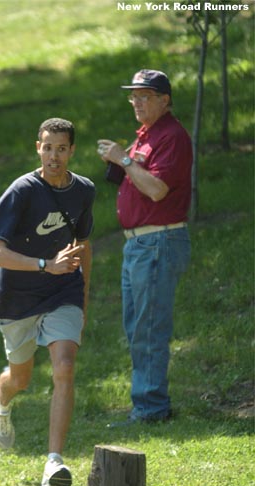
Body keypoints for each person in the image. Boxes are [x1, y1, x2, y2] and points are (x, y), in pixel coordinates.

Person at [0, 117, 95, 486]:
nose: (54, 156)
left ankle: (54, 462)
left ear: (71, 151)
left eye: (61, 148)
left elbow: (83, 245)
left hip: (63, 292)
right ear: (38, 148)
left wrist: (83, 297)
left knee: (64, 365)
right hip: (19, 298)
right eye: (48, 148)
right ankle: (1, 399)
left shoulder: (83, 191)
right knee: (22, 379)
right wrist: (46, 264)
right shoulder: (21, 191)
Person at [97, 69, 192, 424]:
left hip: (158, 241)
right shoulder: (148, 135)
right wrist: (121, 161)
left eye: (145, 96)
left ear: (164, 100)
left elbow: (157, 189)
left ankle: (151, 409)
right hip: (141, 244)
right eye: (133, 96)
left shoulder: (172, 136)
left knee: (149, 327)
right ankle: (147, 405)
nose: (137, 102)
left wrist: (124, 160)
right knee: (138, 326)